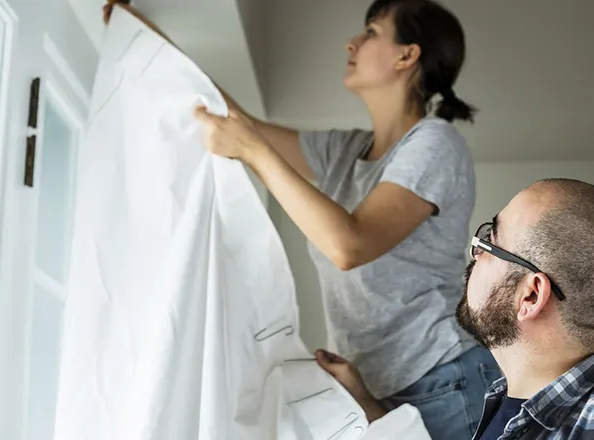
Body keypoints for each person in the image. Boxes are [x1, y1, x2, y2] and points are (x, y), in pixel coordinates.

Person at [104, 0, 500, 439]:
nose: (352, 42)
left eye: (371, 32)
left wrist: (254, 152)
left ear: (407, 56)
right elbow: (241, 124)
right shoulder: (344, 152)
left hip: (444, 380)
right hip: (374, 388)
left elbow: (350, 246)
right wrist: (148, 40)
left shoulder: (435, 143)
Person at [318, 178, 594, 439]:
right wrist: (367, 407)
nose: (473, 255)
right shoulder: (510, 408)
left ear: (530, 297)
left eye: (490, 242)